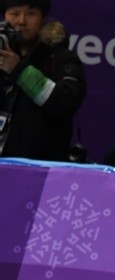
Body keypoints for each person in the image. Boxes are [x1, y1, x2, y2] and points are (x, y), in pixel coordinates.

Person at [0, 0, 85, 161]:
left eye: (31, 13)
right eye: (14, 13)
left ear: (43, 18)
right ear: (4, 17)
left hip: (41, 168)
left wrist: (19, 70)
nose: (21, 21)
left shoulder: (61, 58)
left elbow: (65, 102)